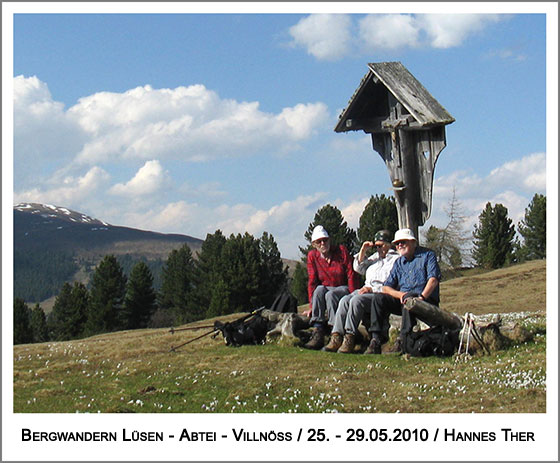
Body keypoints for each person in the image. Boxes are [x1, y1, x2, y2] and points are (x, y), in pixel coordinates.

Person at [365, 228, 442, 354]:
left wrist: (421, 298)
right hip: (405, 300)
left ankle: (403, 339)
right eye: (397, 243)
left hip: (425, 300)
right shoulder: (399, 262)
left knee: (410, 298)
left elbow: (433, 280)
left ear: (413, 242)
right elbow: (386, 287)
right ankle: (376, 339)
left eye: (403, 242)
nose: (400, 245)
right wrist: (401, 294)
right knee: (379, 298)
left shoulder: (428, 255)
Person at [323, 230, 399, 354]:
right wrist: (363, 250)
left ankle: (350, 336)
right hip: (366, 289)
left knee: (356, 301)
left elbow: (391, 283)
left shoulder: (395, 259)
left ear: (389, 244)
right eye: (376, 246)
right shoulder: (375, 258)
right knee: (344, 300)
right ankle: (336, 335)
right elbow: (358, 268)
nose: (378, 248)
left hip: (379, 292)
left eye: (381, 245)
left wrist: (372, 289)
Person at [303, 225, 357, 350]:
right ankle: (318, 329)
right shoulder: (312, 256)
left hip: (342, 288)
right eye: (319, 241)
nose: (323, 243)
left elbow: (351, 273)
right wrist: (312, 306)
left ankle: (335, 332)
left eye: (325, 240)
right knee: (319, 290)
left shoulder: (341, 251)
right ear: (314, 244)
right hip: (325, 287)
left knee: (330, 295)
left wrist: (354, 294)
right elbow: (312, 281)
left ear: (329, 240)